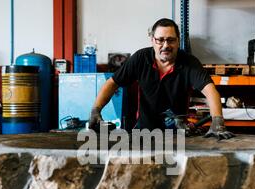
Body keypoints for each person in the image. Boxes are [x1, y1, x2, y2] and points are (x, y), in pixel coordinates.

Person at [88, 18, 234, 140]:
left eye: (170, 40)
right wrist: (96, 110)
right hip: (144, 131)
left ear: (178, 41)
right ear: (152, 40)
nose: (165, 45)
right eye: (160, 40)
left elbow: (210, 90)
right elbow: (113, 83)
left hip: (177, 133)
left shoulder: (189, 63)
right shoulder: (140, 58)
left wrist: (217, 122)